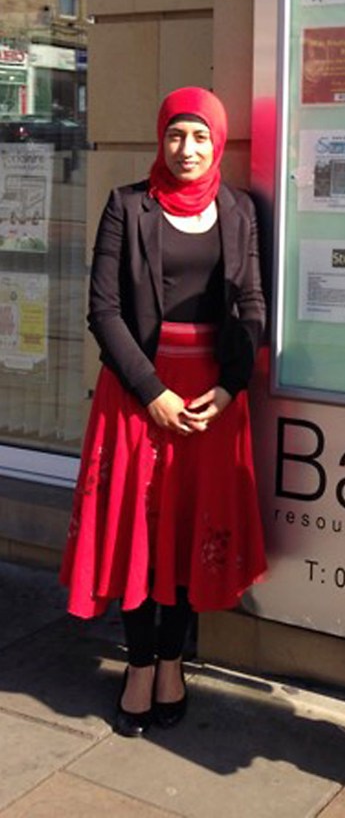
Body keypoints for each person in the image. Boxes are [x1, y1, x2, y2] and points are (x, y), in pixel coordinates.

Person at [60, 86, 267, 738]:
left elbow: (253, 305)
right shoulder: (128, 205)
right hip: (139, 396)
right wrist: (153, 392)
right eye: (177, 134)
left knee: (184, 533)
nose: (187, 148)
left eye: (200, 136)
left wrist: (232, 387)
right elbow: (104, 310)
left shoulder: (238, 210)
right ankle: (140, 664)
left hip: (210, 401)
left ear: (217, 141)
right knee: (138, 534)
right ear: (161, 137)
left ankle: (173, 660)